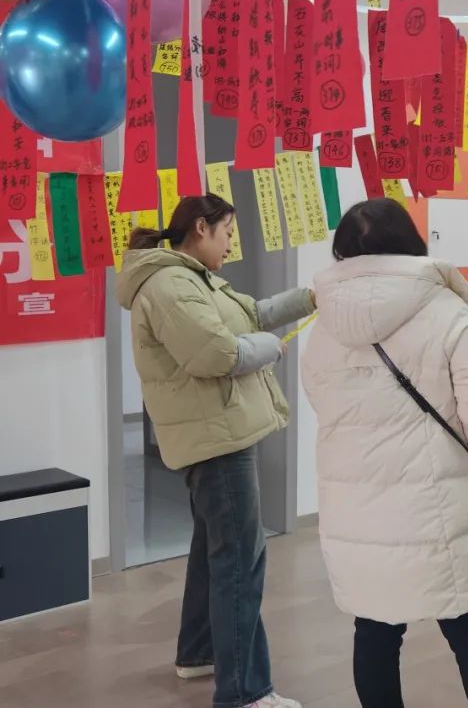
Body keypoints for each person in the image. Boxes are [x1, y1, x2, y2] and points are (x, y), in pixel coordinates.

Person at [301, 198, 468, 708]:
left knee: (375, 631)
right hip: (438, 505)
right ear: (410, 243)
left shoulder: (325, 325)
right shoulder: (447, 311)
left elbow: (322, 400)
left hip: (357, 506)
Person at [117, 194, 314, 708]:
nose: (230, 243)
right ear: (201, 228)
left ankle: (199, 653)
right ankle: (246, 692)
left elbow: (255, 314)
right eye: (227, 232)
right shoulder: (170, 285)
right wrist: (272, 350)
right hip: (217, 440)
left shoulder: (194, 279)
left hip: (216, 431)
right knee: (239, 562)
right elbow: (217, 354)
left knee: (215, 553)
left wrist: (312, 297)